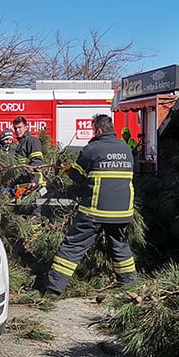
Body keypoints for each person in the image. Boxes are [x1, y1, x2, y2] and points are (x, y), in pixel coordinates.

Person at [37, 114, 137, 297]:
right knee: (120, 246)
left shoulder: (92, 149)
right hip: (123, 211)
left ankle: (53, 289)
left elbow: (78, 177)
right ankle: (130, 286)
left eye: (93, 129)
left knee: (73, 246)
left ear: (98, 130)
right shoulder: (126, 149)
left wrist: (68, 169)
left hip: (95, 211)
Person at [9, 116, 45, 198]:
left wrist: (35, 181)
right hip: (22, 187)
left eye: (19, 127)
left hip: (34, 187)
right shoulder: (18, 145)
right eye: (15, 128)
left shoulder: (32, 141)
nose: (17, 130)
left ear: (26, 127)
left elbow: (37, 162)